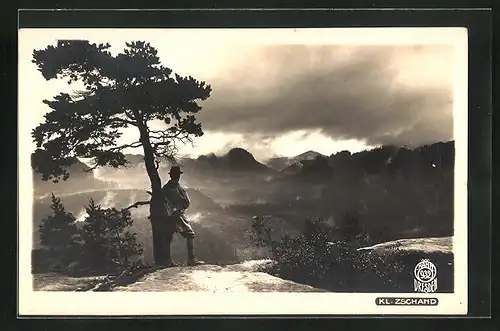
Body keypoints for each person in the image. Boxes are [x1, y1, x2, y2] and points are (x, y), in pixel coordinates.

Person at [160, 165, 204, 267]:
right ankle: (191, 259)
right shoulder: (178, 188)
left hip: (168, 215)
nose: (177, 176)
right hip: (178, 215)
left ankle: (168, 260)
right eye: (177, 174)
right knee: (190, 234)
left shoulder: (165, 189)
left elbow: (162, 201)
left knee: (168, 236)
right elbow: (187, 202)